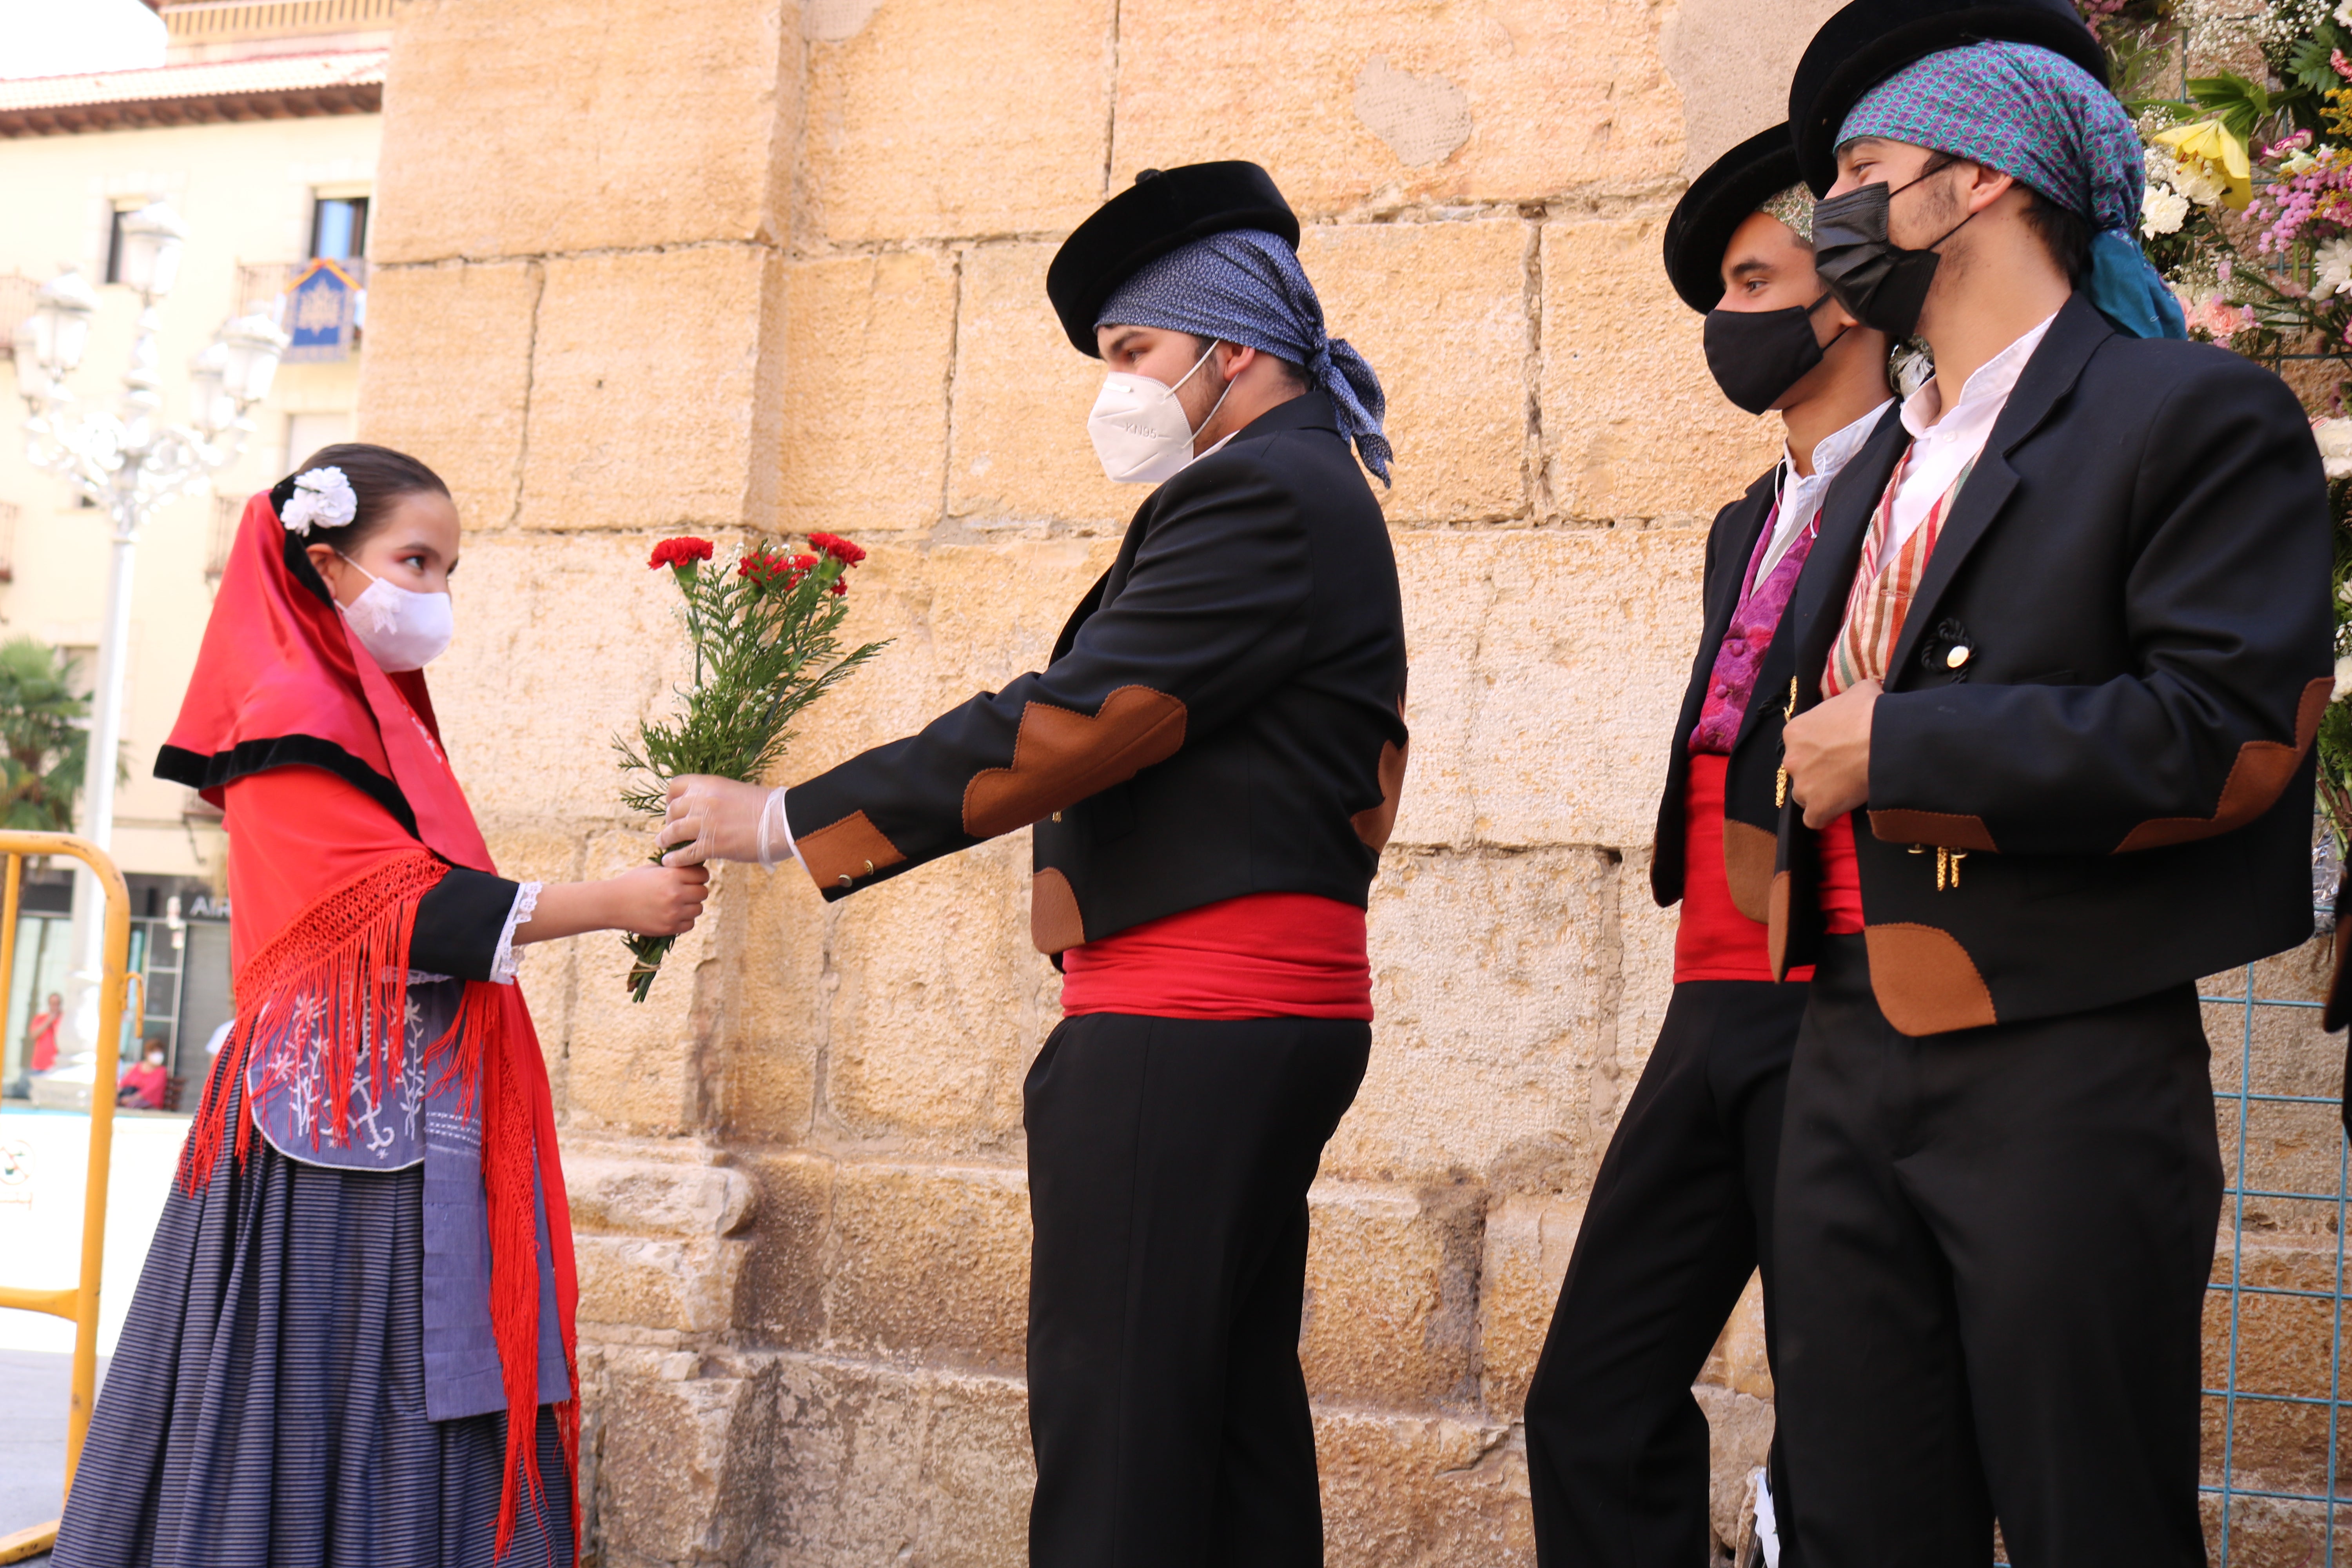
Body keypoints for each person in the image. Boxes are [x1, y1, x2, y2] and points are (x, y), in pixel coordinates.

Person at [658, 162, 1408, 1566]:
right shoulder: (1296, 483)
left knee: (1118, 1433)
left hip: (1189, 1022)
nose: (1114, 386)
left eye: (1133, 352)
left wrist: (784, 818)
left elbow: (1076, 721)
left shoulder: (1261, 495)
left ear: (1230, 345)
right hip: (1247, 1016)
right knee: (1225, 1433)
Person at [1763, 21, 2331, 1565]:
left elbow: (2228, 734)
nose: (1838, 220)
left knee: (2094, 1522)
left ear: (1979, 187)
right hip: (1841, 1052)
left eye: (1867, 177)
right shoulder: (1885, 453)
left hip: (2063, 1071)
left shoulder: (2192, 414)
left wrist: (1907, 752)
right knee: (1858, 1522)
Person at [52, 444, 710, 1568]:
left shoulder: (361, 708)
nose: (433, 596)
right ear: (324, 563)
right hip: (328, 1130)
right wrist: (613, 899)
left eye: (448, 570)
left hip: (394, 1115)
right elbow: (383, 908)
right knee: (338, 1388)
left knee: (383, 1387)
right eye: (414, 562)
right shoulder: (293, 705)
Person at [1519, 123, 1893, 1568]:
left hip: (1837, 992)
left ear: (1848, 294)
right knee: (1589, 1397)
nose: (1727, 323)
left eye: (1753, 281)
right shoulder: (1744, 517)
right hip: (1707, 993)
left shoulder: (1928, 480)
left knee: (1843, 1419)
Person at [116, 1037, 169, 1111]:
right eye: (155, 1052)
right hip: (130, 1099)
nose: (158, 1056)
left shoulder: (162, 1071)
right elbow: (124, 1082)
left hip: (150, 1103)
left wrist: (132, 1098)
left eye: (160, 1053)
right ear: (147, 1053)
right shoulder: (138, 1067)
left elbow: (150, 1090)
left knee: (132, 1106)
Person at [27, 990, 62, 1074]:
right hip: (39, 1065)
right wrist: (48, 1022)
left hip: (56, 1065)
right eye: (53, 1004)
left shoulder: (63, 1020)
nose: (55, 1006)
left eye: (57, 1004)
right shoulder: (41, 1018)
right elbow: (34, 1035)